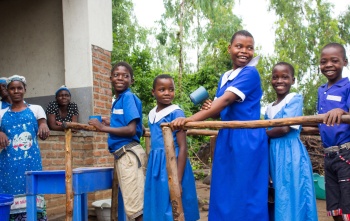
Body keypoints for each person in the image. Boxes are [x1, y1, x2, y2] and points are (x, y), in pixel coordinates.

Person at [172, 30, 269, 220]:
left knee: (244, 189)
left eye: (249, 48)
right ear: (229, 49)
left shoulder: (250, 73)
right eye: (239, 46)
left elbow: (225, 101)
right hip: (227, 135)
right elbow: (219, 109)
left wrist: (189, 120)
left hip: (246, 137)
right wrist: (211, 108)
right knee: (224, 187)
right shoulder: (226, 77)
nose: (244, 51)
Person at [88, 61, 146, 221]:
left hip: (129, 155)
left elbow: (131, 129)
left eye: (125, 76)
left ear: (131, 80)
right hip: (125, 155)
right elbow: (129, 124)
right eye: (116, 75)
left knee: (136, 209)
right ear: (110, 78)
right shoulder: (119, 100)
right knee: (135, 205)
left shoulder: (127, 97)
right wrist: (111, 122)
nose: (120, 78)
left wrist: (102, 128)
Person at [265, 62, 318, 221]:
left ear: (293, 80)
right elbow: (269, 133)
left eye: (285, 77)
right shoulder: (268, 107)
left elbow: (285, 128)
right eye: (275, 77)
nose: (279, 81)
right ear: (271, 80)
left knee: (293, 194)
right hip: (273, 155)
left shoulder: (294, 98)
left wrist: (260, 134)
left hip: (290, 155)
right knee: (278, 195)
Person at [144, 74, 199, 221]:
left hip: (173, 163)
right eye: (162, 90)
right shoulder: (151, 113)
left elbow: (182, 147)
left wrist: (177, 180)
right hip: (156, 163)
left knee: (173, 203)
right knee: (158, 201)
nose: (167, 93)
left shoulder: (176, 112)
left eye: (171, 89)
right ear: (153, 92)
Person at [0, 75, 50, 220]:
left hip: (31, 163)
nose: (16, 91)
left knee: (33, 196)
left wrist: (43, 126)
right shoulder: (1, 113)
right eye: (12, 88)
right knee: (8, 201)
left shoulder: (36, 109)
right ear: (8, 91)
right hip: (8, 165)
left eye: (19, 88)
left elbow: (42, 123)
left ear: (25, 90)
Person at [317, 43, 350, 221]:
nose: (328, 65)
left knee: (348, 203)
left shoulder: (347, 87)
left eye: (334, 61)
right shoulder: (321, 91)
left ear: (345, 62)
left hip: (345, 154)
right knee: (334, 205)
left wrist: (343, 112)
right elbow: (321, 120)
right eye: (324, 61)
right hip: (328, 156)